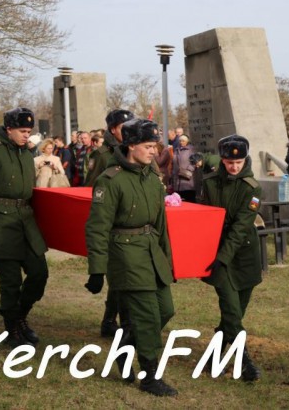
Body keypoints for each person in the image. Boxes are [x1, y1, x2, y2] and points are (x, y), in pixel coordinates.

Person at [84, 119, 177, 397]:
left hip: (151, 251)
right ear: (131, 145)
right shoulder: (110, 180)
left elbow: (161, 223)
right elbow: (97, 227)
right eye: (148, 147)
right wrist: (97, 270)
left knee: (165, 309)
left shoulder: (151, 175)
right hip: (125, 254)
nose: (153, 152)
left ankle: (123, 344)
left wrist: (168, 263)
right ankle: (150, 376)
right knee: (148, 316)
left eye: (155, 146)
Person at [0, 107, 49, 348]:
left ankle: (20, 316)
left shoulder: (26, 152)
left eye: (29, 131)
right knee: (10, 282)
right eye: (22, 131)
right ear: (9, 129)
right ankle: (11, 327)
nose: (27, 135)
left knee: (39, 273)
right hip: (1, 223)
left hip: (26, 221)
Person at [201, 134, 262, 382]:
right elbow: (205, 217)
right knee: (231, 310)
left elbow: (240, 228)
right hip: (218, 257)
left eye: (238, 162)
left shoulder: (253, 188)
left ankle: (213, 357)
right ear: (222, 160)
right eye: (229, 162)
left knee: (234, 314)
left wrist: (223, 257)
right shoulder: (210, 183)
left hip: (243, 254)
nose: (234, 166)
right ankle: (244, 361)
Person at [83, 109, 135, 338]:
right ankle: (115, 322)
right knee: (119, 276)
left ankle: (108, 320)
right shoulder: (103, 155)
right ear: (113, 129)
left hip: (129, 220)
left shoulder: (134, 150)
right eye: (125, 127)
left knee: (121, 277)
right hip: (112, 224)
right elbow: (92, 187)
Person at [85, 109, 134, 187]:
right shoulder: (101, 154)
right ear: (113, 130)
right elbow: (91, 183)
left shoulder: (136, 150)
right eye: (123, 128)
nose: (127, 132)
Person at [172, 134, 197, 202]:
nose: (181, 142)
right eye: (180, 141)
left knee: (189, 199)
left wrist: (188, 170)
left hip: (188, 179)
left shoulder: (191, 150)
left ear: (187, 141)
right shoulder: (176, 150)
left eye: (183, 141)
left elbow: (195, 161)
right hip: (177, 180)